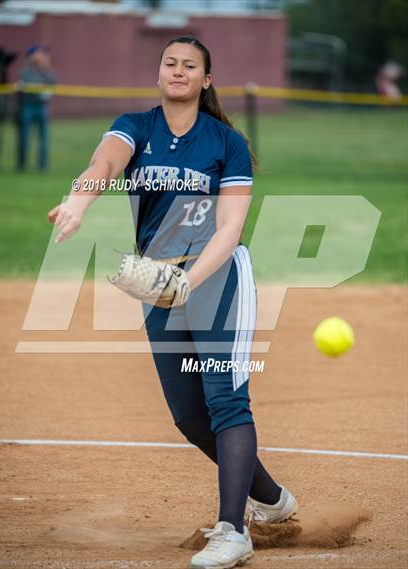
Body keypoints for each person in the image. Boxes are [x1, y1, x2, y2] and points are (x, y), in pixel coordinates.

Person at [48, 36, 297, 569]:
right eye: (170, 63)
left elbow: (230, 228)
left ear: (206, 80)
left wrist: (190, 279)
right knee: (188, 416)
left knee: (226, 401)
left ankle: (233, 530)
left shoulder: (225, 142)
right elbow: (102, 163)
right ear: (159, 73)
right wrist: (76, 199)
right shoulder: (136, 127)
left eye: (190, 65)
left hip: (219, 277)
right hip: (158, 285)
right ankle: (273, 500)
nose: (178, 71)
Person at [16, 45, 57, 170]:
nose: (39, 56)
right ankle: (21, 165)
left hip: (41, 106)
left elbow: (53, 81)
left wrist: (46, 66)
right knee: (24, 137)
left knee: (43, 138)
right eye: (37, 53)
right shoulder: (26, 70)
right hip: (28, 106)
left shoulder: (46, 69)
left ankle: (42, 166)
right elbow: (29, 83)